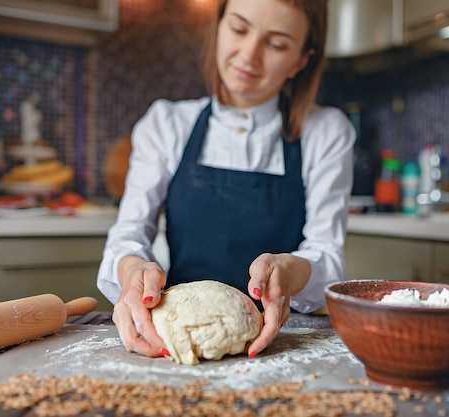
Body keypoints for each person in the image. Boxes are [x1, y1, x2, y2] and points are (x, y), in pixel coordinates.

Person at [97, 0, 355, 360]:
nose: (249, 54)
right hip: (176, 337)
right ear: (217, 27)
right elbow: (128, 235)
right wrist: (132, 271)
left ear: (301, 60)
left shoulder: (325, 132)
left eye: (277, 44)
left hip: (284, 344)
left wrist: (291, 272)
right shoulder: (167, 124)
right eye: (238, 28)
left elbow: (327, 255)